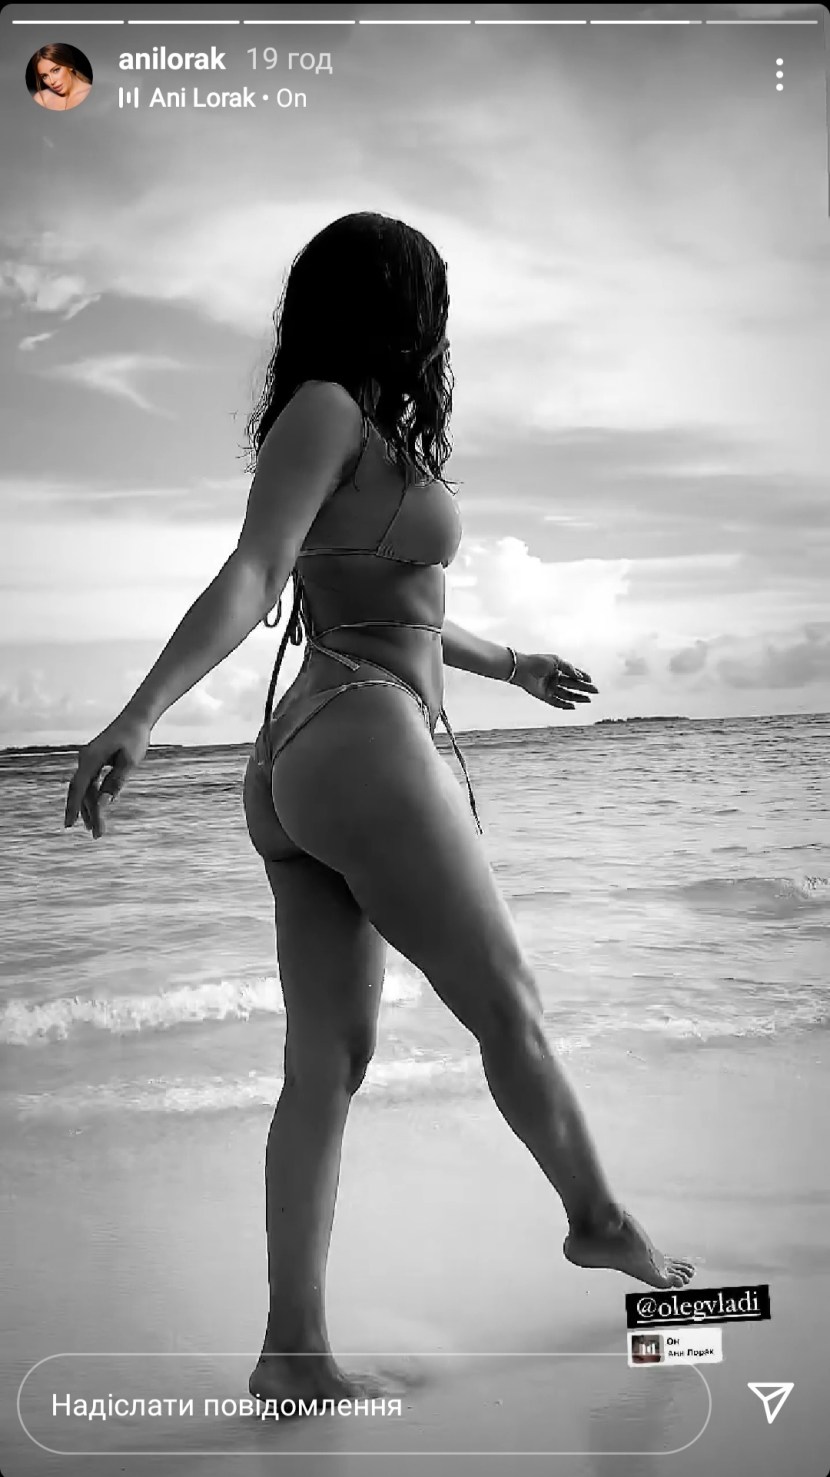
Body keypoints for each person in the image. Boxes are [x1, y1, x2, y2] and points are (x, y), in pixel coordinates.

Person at [64, 212, 693, 1412]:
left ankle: (292, 1351)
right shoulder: (329, 410)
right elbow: (256, 573)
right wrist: (139, 712)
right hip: (360, 734)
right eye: (429, 296)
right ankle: (598, 1220)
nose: (438, 321)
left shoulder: (353, 420)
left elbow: (393, 599)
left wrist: (511, 663)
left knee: (325, 1067)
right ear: (395, 302)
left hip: (308, 754)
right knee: (505, 1003)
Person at [31, 44, 92, 111]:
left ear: (69, 65)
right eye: (44, 76)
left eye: (56, 70)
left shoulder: (92, 96)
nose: (52, 81)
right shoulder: (41, 99)